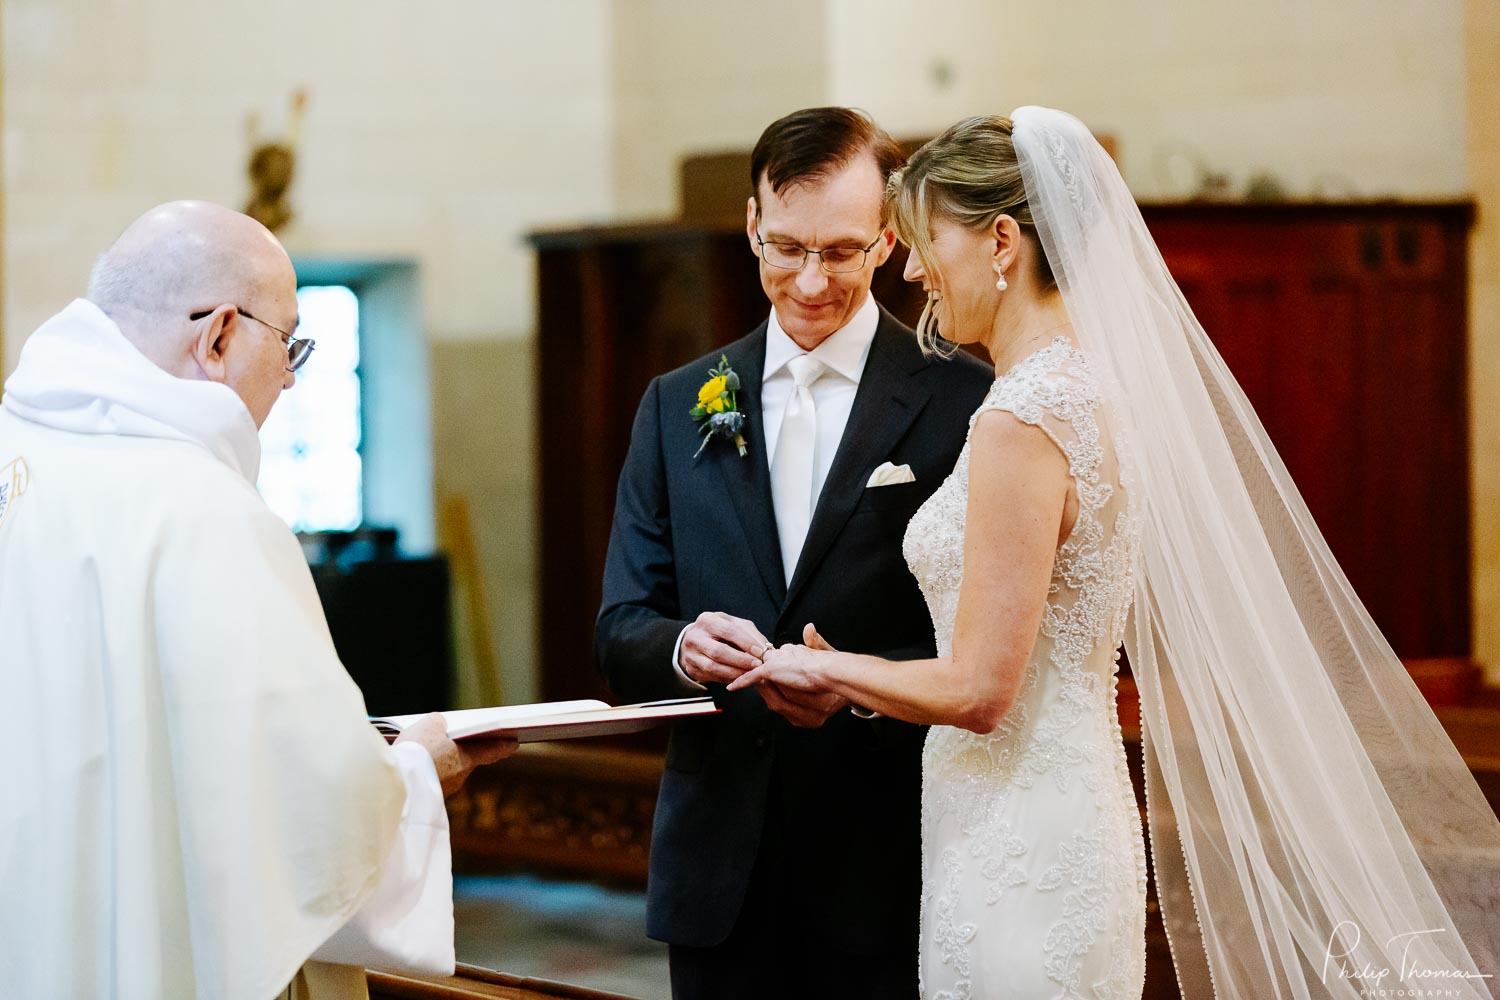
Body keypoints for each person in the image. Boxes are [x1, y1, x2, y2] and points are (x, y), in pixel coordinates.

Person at [731, 109, 1500, 998]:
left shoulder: (1021, 419)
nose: (911, 268)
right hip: (1054, 809)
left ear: (1002, 241)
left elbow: (982, 690)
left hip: (1017, 839)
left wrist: (827, 672)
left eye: (924, 239)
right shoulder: (1091, 390)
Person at [0, 201, 515, 1000]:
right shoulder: (203, 510)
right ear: (217, 337)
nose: (290, 377)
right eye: (289, 345)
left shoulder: (16, 458)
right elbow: (303, 810)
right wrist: (415, 767)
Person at [594, 107, 994, 999]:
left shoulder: (964, 400)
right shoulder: (677, 404)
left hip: (884, 860)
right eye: (786, 247)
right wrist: (681, 648)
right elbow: (620, 626)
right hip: (717, 874)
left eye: (842, 251)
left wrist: (851, 687)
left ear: (888, 241)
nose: (811, 281)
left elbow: (986, 646)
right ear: (751, 226)